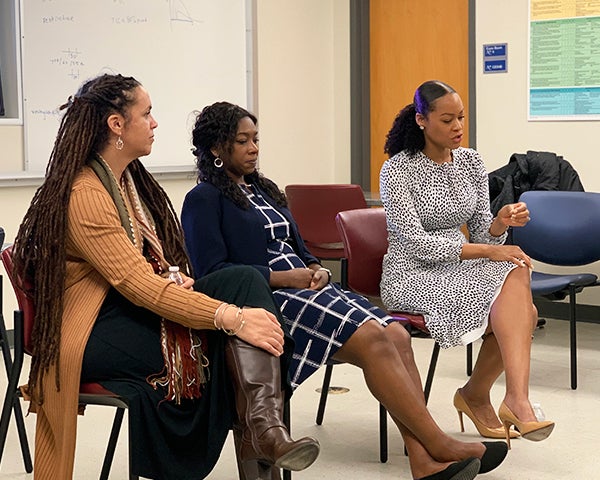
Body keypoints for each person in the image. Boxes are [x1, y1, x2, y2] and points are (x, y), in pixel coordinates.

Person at [180, 101, 512, 480]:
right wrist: (285, 278)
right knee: (373, 338)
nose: (254, 148)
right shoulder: (203, 199)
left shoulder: (264, 190)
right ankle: (437, 443)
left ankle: (423, 461)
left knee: (397, 334)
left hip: (310, 289)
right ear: (216, 149)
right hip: (271, 301)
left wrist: (316, 267)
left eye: (256, 139)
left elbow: (299, 246)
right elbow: (213, 274)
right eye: (242, 141)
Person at [11, 74, 320, 480]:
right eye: (147, 113)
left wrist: (180, 280)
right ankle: (262, 438)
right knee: (234, 337)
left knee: (244, 280)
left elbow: (146, 269)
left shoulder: (126, 181)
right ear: (117, 125)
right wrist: (232, 317)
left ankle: (264, 429)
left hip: (124, 309)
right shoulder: (87, 193)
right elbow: (140, 287)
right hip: (93, 330)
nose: (155, 122)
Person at [379, 80, 555, 448]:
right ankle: (489, 397)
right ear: (422, 120)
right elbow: (416, 243)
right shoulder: (397, 170)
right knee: (520, 306)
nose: (458, 127)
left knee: (517, 272)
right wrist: (490, 252)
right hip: (412, 272)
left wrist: (500, 222)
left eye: (460, 117)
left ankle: (510, 398)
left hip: (459, 265)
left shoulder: (471, 162)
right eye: (447, 120)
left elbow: (481, 235)